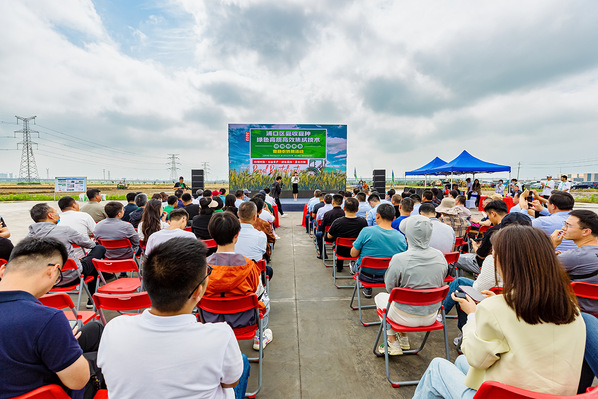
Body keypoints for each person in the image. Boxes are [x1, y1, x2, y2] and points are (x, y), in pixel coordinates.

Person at [413, 225, 585, 398]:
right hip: (554, 394)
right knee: (460, 361)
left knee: (437, 367)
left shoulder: (496, 308)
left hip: (507, 394)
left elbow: (476, 358)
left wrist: (473, 315)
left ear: (507, 263)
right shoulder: (572, 309)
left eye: (494, 257)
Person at [97, 237, 249, 399]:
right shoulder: (221, 336)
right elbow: (230, 383)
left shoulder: (114, 329)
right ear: (198, 292)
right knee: (242, 361)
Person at [0, 237, 104, 399]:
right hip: (53, 392)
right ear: (52, 271)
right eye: (58, 277)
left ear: (3, 269)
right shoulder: (46, 319)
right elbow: (78, 381)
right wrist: (67, 342)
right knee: (107, 356)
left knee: (95, 329)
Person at [375, 216, 448, 355]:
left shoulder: (399, 259)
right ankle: (403, 339)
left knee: (380, 297)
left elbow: (390, 288)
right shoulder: (440, 256)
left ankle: (392, 341)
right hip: (431, 316)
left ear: (408, 234)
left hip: (404, 316)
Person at [205, 212, 273, 350]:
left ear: (212, 235)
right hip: (244, 321)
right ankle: (260, 337)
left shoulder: (200, 268)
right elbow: (258, 294)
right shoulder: (250, 266)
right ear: (237, 235)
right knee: (264, 297)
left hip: (210, 321)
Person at [27, 203, 104, 305]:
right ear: (50, 215)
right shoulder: (64, 230)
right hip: (72, 277)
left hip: (46, 281)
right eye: (56, 212)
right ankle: (92, 299)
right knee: (99, 249)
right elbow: (89, 244)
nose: (58, 215)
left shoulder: (28, 238)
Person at [350, 204, 408, 298]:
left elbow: (353, 254)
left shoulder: (366, 231)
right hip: (390, 277)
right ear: (394, 218)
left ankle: (367, 288)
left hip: (365, 276)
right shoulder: (401, 237)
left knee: (356, 261)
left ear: (377, 216)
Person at [551, 210, 598, 314]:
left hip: (577, 313)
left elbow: (537, 269)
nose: (563, 228)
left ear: (586, 231)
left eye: (568, 225)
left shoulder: (574, 256)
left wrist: (551, 246)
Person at [455, 200, 508, 275]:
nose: (489, 219)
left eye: (488, 216)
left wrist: (474, 246)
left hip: (487, 265)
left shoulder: (492, 230)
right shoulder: (513, 227)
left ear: (493, 214)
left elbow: (481, 255)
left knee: (456, 258)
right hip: (505, 266)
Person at [327, 198, 368, 272]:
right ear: (357, 209)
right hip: (358, 252)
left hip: (341, 252)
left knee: (338, 243)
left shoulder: (337, 222)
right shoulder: (363, 222)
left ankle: (339, 267)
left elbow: (329, 236)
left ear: (344, 208)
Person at [316, 194, 345, 260]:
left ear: (333, 202)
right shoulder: (344, 213)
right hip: (342, 237)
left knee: (319, 234)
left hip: (329, 237)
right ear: (342, 203)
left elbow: (322, 227)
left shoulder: (328, 214)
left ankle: (323, 254)